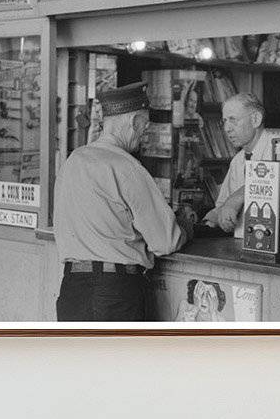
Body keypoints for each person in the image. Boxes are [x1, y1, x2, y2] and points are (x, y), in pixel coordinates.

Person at [54, 81, 193, 321]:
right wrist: (188, 226)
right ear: (135, 122)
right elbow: (165, 241)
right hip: (114, 293)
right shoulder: (127, 167)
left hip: (71, 290)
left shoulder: (73, 161)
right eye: (145, 126)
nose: (144, 135)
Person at [203, 93, 280, 238]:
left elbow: (278, 179)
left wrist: (236, 198)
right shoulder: (238, 161)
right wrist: (207, 222)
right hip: (241, 243)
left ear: (256, 119)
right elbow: (222, 206)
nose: (227, 128)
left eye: (233, 120)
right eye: (224, 121)